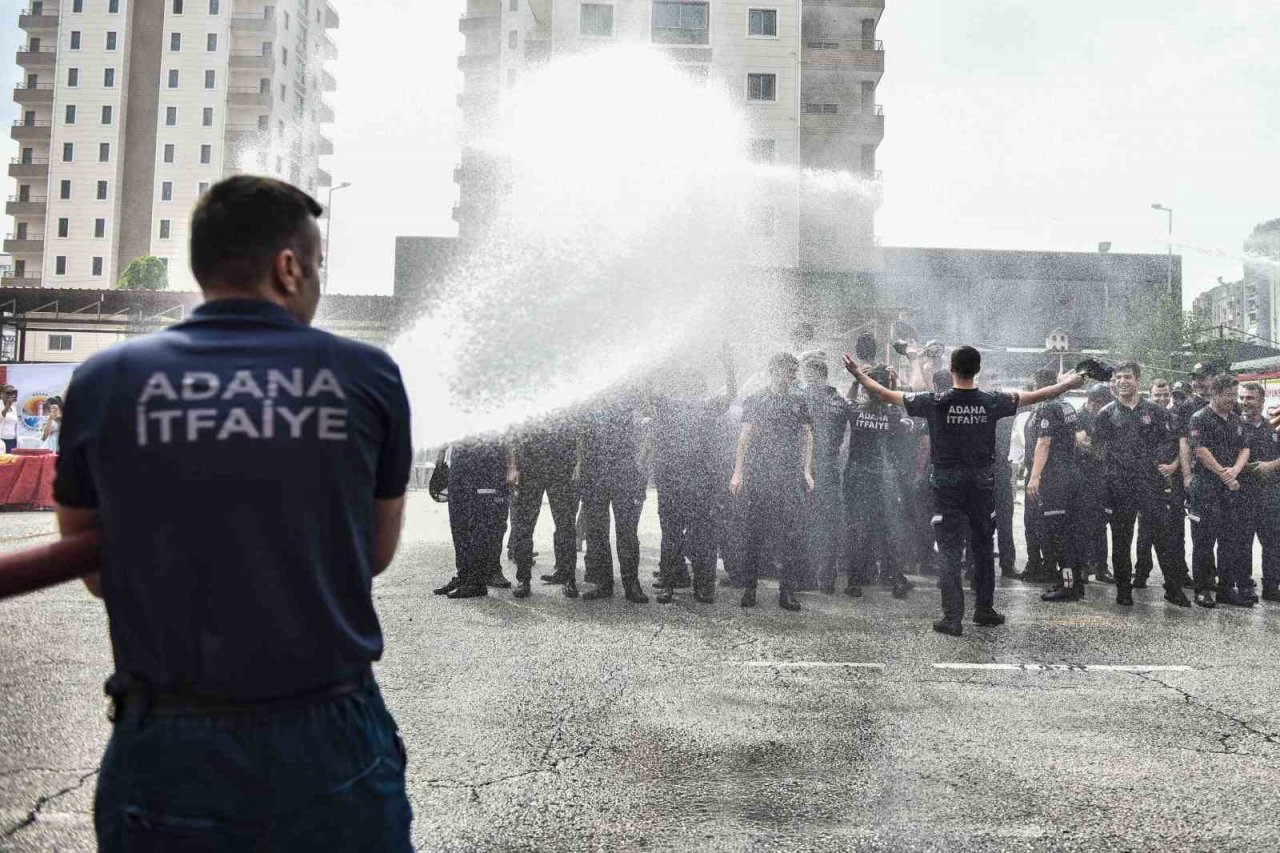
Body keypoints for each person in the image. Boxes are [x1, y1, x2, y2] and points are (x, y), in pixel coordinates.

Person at [54, 176, 414, 850]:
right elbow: (374, 551)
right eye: (317, 267)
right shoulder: (367, 376)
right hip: (327, 731)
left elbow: (95, 566)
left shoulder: (104, 382)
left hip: (168, 742)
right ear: (288, 267)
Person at [845, 346, 1083, 636]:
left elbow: (886, 395)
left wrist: (858, 375)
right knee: (982, 548)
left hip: (947, 485)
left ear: (952, 369)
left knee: (949, 550)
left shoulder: (934, 401)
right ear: (978, 370)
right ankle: (984, 610)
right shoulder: (991, 401)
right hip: (981, 484)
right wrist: (1068, 384)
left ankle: (952, 617)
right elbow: (1036, 396)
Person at [1091, 362, 1191, 608]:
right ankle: (1124, 590)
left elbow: (1169, 441)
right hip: (1119, 487)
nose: (1122, 381)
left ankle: (1173, 589)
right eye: (1118, 377)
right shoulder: (1106, 413)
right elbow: (1097, 449)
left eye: (1127, 377)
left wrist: (1161, 464)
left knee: (1162, 539)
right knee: (1121, 540)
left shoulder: (1154, 412)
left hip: (1150, 485)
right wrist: (1108, 478)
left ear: (1137, 380)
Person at [650, 348, 736, 604]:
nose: (692, 389)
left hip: (699, 483)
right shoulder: (672, 405)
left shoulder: (704, 406)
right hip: (678, 482)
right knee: (680, 536)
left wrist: (729, 365)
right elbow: (647, 396)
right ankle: (677, 584)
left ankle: (698, 586)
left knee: (694, 536)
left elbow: (730, 395)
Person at [729, 352, 814, 611]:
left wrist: (806, 470)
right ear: (775, 371)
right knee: (754, 533)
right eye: (789, 371)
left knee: (790, 534)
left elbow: (808, 437)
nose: (792, 376)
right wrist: (737, 472)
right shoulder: (757, 399)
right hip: (760, 474)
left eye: (794, 371)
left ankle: (786, 591)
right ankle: (750, 588)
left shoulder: (800, 401)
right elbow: (744, 437)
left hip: (788, 476)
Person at [845, 365, 914, 598]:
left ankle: (854, 580)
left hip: (858, 477)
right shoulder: (893, 415)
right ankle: (896, 579)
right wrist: (893, 386)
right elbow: (903, 414)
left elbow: (846, 402)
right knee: (889, 529)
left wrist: (856, 381)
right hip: (884, 478)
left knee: (858, 529)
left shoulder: (855, 411)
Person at [578, 387, 650, 603]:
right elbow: (581, 435)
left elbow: (645, 426)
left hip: (624, 473)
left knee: (627, 531)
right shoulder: (589, 400)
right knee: (597, 531)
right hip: (594, 473)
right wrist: (581, 467)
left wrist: (640, 466)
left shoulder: (631, 395)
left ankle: (631, 583)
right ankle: (603, 582)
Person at [1025, 368, 1088, 602]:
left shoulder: (1046, 407)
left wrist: (1034, 476)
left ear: (1039, 386)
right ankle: (1074, 583)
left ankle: (1068, 585)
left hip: (1055, 478)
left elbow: (1043, 443)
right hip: (1069, 473)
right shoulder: (1066, 405)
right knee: (1069, 531)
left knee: (1059, 534)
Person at [1187, 374, 1251, 608]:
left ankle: (1226, 588)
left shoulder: (1236, 420)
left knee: (1229, 541)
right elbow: (1200, 450)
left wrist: (1234, 470)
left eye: (1235, 396)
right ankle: (1202, 589)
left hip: (1230, 487)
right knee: (1203, 541)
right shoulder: (1199, 418)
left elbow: (1244, 448)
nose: (1233, 400)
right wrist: (1224, 474)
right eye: (1228, 396)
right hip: (1206, 486)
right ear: (1215, 394)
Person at [507, 414, 580, 599]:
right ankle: (523, 579)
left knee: (566, 526)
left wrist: (578, 464)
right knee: (524, 527)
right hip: (530, 466)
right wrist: (513, 467)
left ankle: (568, 577)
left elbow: (579, 430)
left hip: (562, 467)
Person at [436, 436, 514, 600]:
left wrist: (511, 466)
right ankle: (463, 576)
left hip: (486, 465)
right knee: (459, 523)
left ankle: (477, 581)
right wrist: (441, 454)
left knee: (479, 525)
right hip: (460, 461)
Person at [800, 356, 851, 594]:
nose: (807, 380)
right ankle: (826, 577)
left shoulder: (802, 399)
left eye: (808, 375)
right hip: (828, 465)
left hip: (806, 466)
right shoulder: (837, 400)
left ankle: (809, 574)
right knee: (826, 521)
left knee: (806, 519)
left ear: (813, 375)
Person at [1238, 382, 1279, 603]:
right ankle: (1244, 586)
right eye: (1242, 398)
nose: (1245, 403)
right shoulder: (1234, 426)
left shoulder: (1273, 427)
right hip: (1242, 494)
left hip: (1269, 495)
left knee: (1273, 543)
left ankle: (1272, 586)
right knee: (1242, 542)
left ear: (1262, 401)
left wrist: (1270, 466)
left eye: (1250, 398)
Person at [1075, 383, 1114, 585]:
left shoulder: (1105, 417)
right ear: (1092, 402)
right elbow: (1084, 445)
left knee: (1100, 524)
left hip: (1100, 478)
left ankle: (1101, 567)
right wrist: (1098, 449)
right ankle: (1082, 566)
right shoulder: (1078, 418)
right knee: (1081, 525)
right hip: (1082, 478)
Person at [1, 385, 18, 453]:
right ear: (2, 394)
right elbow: (1, 417)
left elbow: (15, 424)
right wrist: (7, 406)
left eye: (13, 393)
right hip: (1, 440)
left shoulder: (13, 408)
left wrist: (17, 439)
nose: (11, 395)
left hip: (12, 440)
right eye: (8, 393)